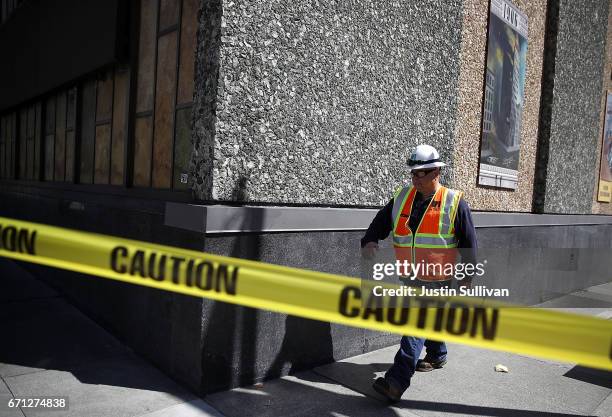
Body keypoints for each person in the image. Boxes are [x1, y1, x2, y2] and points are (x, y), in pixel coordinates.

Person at [361, 144, 477, 403]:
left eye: (421, 174)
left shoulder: (454, 201)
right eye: (413, 174)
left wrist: (468, 274)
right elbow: (381, 222)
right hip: (410, 275)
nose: (415, 179)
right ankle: (437, 354)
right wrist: (370, 240)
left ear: (436, 171)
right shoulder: (403, 197)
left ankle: (396, 380)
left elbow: (469, 242)